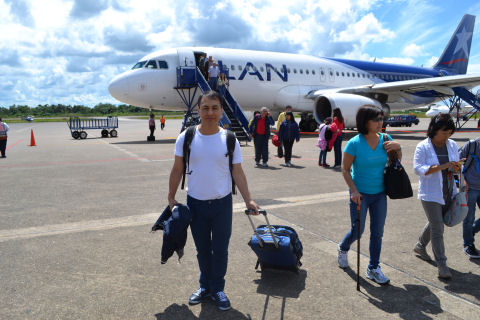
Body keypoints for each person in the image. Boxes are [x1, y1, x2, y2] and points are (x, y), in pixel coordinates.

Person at [168, 91, 260, 311]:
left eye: (215, 107)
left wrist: (249, 199)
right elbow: (177, 169)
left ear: (221, 110)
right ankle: (204, 286)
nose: (210, 112)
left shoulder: (229, 139)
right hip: (195, 203)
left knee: (220, 249)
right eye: (206, 108)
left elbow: (238, 172)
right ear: (198, 110)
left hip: (222, 204)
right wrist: (171, 197)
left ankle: (217, 288)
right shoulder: (186, 137)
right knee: (202, 249)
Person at [337, 105, 401, 284]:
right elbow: (345, 169)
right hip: (360, 194)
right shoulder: (354, 143)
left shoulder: (386, 139)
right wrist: (354, 191)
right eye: (377, 119)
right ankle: (343, 248)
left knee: (377, 233)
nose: (381, 122)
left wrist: (398, 147)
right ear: (365, 122)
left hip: (380, 194)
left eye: (382, 119)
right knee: (357, 230)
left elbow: (397, 162)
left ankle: (373, 267)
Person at [413, 113, 462, 279]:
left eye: (449, 133)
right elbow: (418, 169)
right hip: (430, 193)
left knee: (436, 223)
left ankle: (420, 245)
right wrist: (442, 166)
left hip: (448, 190)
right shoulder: (423, 146)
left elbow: (454, 166)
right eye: (443, 133)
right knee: (438, 228)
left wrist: (456, 168)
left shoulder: (452, 144)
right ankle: (442, 264)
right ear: (434, 130)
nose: (446, 137)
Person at [459, 136, 480, 258]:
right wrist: (463, 180)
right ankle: (468, 244)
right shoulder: (472, 145)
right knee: (469, 217)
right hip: (470, 187)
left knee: (470, 222)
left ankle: (471, 231)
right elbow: (458, 162)